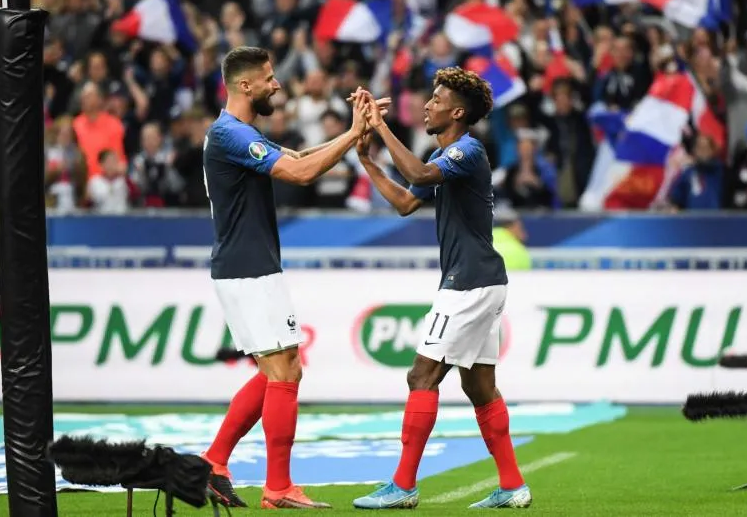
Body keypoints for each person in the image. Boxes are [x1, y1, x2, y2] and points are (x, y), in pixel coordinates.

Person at [199, 46, 385, 509]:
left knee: (279, 371)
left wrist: (353, 132)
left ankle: (214, 463)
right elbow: (301, 173)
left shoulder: (240, 133)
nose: (277, 84)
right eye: (269, 78)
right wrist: (353, 134)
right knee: (284, 371)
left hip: (248, 265)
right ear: (245, 85)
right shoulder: (230, 134)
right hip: (247, 267)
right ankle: (277, 486)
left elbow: (300, 154)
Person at [351, 68, 531, 509]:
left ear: (457, 113)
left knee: (421, 376)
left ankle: (403, 486)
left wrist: (381, 126)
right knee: (480, 388)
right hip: (481, 280)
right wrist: (368, 161)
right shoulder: (445, 156)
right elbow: (405, 202)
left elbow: (416, 171)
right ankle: (512, 486)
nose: (427, 105)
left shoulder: (466, 150)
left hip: (468, 282)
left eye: (436, 99)